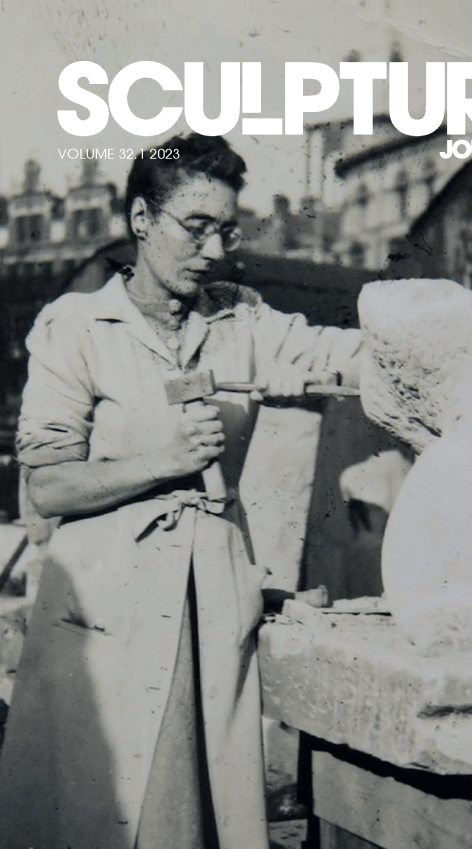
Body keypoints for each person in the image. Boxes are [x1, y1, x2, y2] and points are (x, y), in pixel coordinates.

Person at [0, 134, 361, 849]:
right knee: (107, 812)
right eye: (194, 227)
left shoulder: (240, 318)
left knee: (197, 811)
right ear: (141, 219)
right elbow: (48, 484)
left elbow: (339, 354)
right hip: (111, 614)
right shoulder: (76, 328)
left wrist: (450, 335)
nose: (214, 248)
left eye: (226, 230)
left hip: (211, 600)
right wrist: (163, 460)